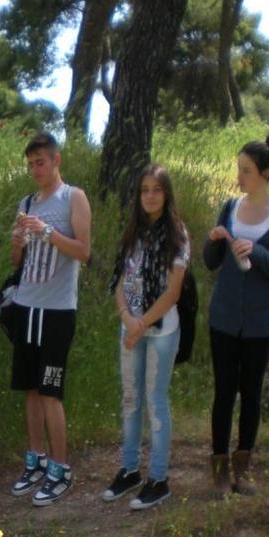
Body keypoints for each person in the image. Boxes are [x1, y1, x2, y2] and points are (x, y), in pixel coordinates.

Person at [203, 133, 269, 495]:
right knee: (223, 392)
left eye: (246, 170)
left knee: (251, 392)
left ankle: (243, 469)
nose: (239, 177)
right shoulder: (229, 207)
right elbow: (211, 263)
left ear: (266, 173)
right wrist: (214, 242)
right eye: (238, 169)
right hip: (224, 317)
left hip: (260, 321)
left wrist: (256, 251)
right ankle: (218, 470)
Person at [9, 132, 92, 506]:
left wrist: (48, 232)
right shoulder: (26, 202)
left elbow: (84, 251)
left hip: (58, 310)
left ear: (56, 160)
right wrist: (17, 242)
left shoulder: (73, 197)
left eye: (40, 162)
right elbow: (17, 263)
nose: (35, 170)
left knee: (50, 390)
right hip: (26, 306)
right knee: (29, 388)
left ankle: (60, 467)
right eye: (30, 164)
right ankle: (36, 458)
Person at [102, 166, 189, 510]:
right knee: (130, 398)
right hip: (132, 326)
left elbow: (173, 291)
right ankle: (129, 469)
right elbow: (120, 281)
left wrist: (142, 325)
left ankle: (159, 478)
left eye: (156, 189)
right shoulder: (132, 233)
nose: (150, 196)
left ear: (166, 194)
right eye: (144, 190)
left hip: (161, 329)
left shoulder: (177, 234)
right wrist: (127, 317)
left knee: (156, 400)